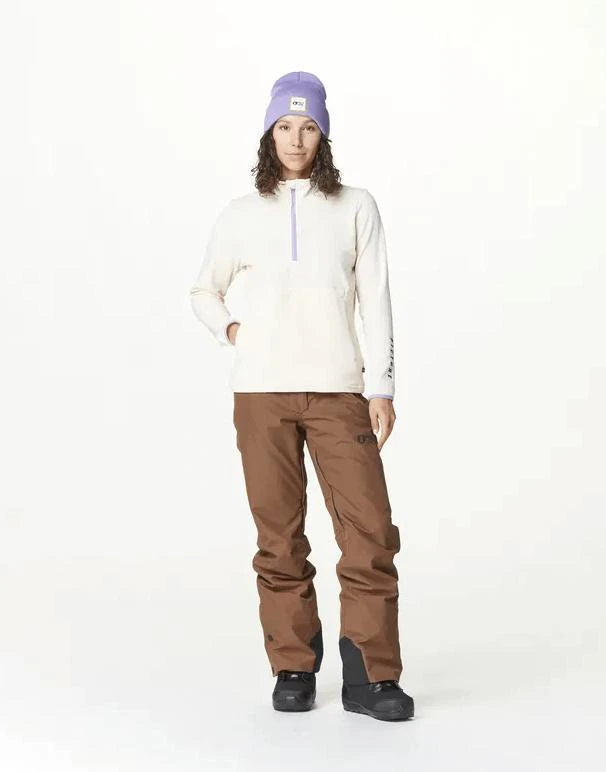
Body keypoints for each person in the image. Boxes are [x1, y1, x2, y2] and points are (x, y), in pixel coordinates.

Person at [189, 71, 413, 721]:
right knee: (279, 537)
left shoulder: (356, 206)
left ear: (324, 134)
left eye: (308, 126)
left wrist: (382, 387)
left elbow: (376, 298)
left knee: (370, 533)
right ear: (269, 133)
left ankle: (371, 677)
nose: (296, 138)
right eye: (285, 126)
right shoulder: (240, 214)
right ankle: (292, 665)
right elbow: (203, 289)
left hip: (338, 390)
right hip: (260, 394)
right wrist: (233, 330)